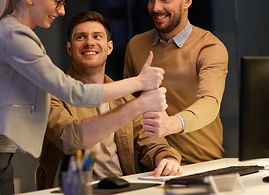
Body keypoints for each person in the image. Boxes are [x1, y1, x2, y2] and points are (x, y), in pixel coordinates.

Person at [0, 0, 166, 195]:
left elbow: (148, 139)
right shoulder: (14, 37)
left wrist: (164, 152)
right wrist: (140, 84)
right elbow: (74, 95)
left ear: (110, 47)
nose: (61, 10)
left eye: (97, 37)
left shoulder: (18, 35)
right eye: (58, 1)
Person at [36, 11, 182, 190]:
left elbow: (151, 141)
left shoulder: (124, 97)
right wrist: (139, 102)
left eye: (97, 36)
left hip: (121, 188)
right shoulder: (51, 94)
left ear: (110, 47)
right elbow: (71, 140)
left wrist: (167, 158)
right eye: (80, 37)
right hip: (72, 191)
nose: (89, 42)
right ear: (69, 48)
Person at [124, 0, 229, 165]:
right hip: (153, 167)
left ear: (186, 1)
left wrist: (171, 124)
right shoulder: (136, 46)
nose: (156, 8)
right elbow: (130, 109)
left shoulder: (209, 46)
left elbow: (210, 103)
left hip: (203, 164)